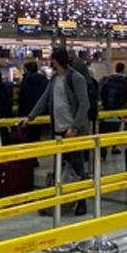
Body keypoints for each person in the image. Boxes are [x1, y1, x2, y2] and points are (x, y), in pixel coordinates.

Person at [18, 48, 91, 213]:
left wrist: (75, 127)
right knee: (60, 167)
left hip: (73, 131)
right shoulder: (54, 79)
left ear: (56, 61)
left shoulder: (76, 78)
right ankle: (60, 202)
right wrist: (30, 117)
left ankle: (82, 201)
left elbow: (84, 104)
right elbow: (44, 99)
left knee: (77, 167)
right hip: (58, 129)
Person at [16, 60, 48, 142]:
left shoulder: (25, 81)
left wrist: (20, 114)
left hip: (27, 113)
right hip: (41, 113)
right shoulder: (44, 80)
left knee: (29, 136)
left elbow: (22, 99)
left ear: (26, 70)